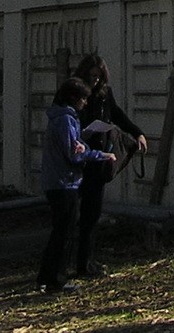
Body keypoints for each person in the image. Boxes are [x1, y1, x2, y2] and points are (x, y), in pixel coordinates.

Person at [72, 53, 148, 278]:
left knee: (92, 213)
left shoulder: (105, 94)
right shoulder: (76, 94)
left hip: (100, 157)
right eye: (91, 76)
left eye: (98, 76)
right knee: (78, 214)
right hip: (81, 157)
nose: (95, 80)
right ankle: (78, 261)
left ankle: (86, 261)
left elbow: (117, 114)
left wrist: (137, 133)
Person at [37, 77, 114, 294]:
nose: (85, 103)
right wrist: (99, 154)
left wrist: (82, 147)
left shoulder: (60, 117)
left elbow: (76, 147)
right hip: (64, 182)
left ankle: (46, 276)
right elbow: (73, 153)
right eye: (83, 99)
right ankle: (56, 280)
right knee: (64, 233)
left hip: (57, 181)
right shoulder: (65, 120)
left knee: (60, 231)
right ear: (73, 98)